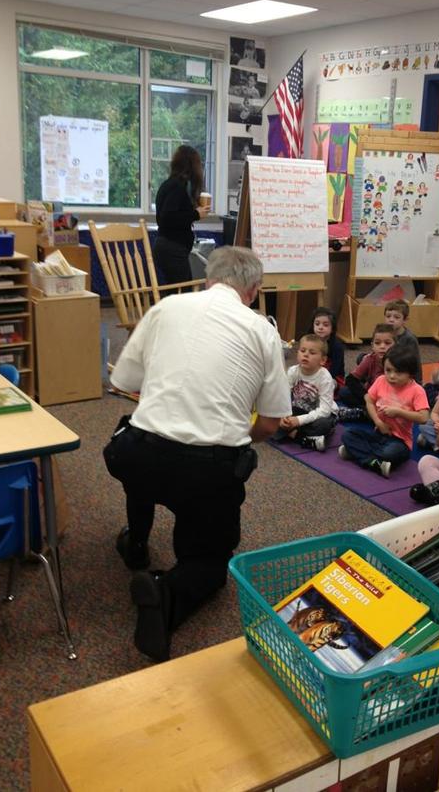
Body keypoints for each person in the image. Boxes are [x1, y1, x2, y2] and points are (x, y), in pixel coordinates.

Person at [103, 246, 291, 662]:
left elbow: (125, 378)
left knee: (141, 449)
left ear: (208, 280)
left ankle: (136, 544)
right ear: (254, 291)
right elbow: (273, 422)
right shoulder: (262, 330)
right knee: (210, 561)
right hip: (207, 472)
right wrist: (236, 436)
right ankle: (164, 594)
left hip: (138, 456)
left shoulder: (167, 306)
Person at [339, 346, 429, 478]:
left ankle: (356, 453)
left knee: (390, 453)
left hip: (400, 440)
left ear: (410, 373)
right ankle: (373, 462)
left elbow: (424, 417)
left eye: (398, 372)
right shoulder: (381, 380)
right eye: (388, 370)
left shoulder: (417, 390)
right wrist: (378, 422)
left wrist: (398, 412)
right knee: (347, 434)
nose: (392, 376)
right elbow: (369, 400)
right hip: (378, 433)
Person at [153, 144, 209, 287]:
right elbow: (167, 218)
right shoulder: (177, 187)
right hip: (172, 248)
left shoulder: (170, 184)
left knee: (178, 290)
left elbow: (170, 215)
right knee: (181, 292)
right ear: (192, 166)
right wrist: (195, 214)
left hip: (169, 247)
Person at [274, 335, 338, 452]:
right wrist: (284, 416)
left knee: (323, 424)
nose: (306, 355)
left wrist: (298, 421)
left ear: (323, 360)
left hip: (321, 413)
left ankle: (293, 434)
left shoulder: (325, 378)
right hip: (299, 408)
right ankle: (302, 438)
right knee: (269, 416)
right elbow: (283, 396)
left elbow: (324, 411)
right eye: (302, 351)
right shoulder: (293, 371)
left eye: (312, 353)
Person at [337, 324, 396, 421]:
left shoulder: (399, 362)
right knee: (344, 392)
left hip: (391, 400)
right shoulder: (370, 359)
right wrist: (365, 395)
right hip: (370, 397)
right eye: (378, 343)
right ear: (372, 345)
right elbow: (350, 379)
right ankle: (365, 411)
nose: (382, 346)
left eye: (387, 343)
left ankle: (362, 412)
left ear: (396, 345)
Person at [383, 299, 422, 383]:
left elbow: (416, 363)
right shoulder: (383, 333)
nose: (391, 320)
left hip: (399, 372)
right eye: (388, 316)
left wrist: (418, 383)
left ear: (405, 320)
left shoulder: (410, 339)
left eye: (396, 317)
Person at [308, 306, 345, 384]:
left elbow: (334, 371)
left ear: (332, 328)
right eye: (317, 324)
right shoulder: (309, 341)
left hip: (332, 377)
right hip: (312, 374)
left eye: (325, 325)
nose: (320, 327)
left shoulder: (337, 347)